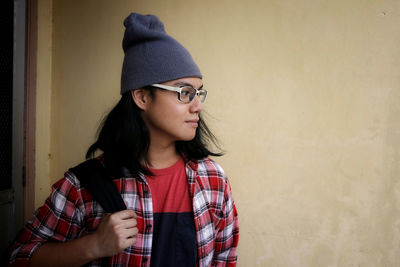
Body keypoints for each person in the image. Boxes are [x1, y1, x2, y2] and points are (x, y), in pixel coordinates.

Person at [9, 12, 239, 267]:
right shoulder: (84, 186)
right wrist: (93, 245)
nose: (198, 106)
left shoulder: (213, 181)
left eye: (199, 93)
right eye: (184, 92)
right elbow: (19, 257)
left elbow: (224, 259)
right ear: (141, 97)